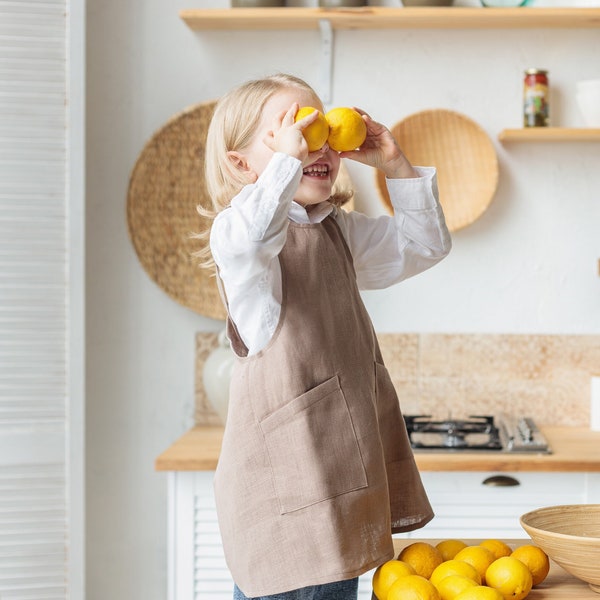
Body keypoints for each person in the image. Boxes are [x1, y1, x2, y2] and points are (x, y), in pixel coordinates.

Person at [197, 73, 452, 600]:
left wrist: (395, 165)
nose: (319, 144)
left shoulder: (337, 228)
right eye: (296, 130)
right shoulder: (238, 233)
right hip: (286, 496)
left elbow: (424, 245)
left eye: (324, 130)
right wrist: (290, 165)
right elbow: (254, 238)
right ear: (241, 164)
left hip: (337, 476)